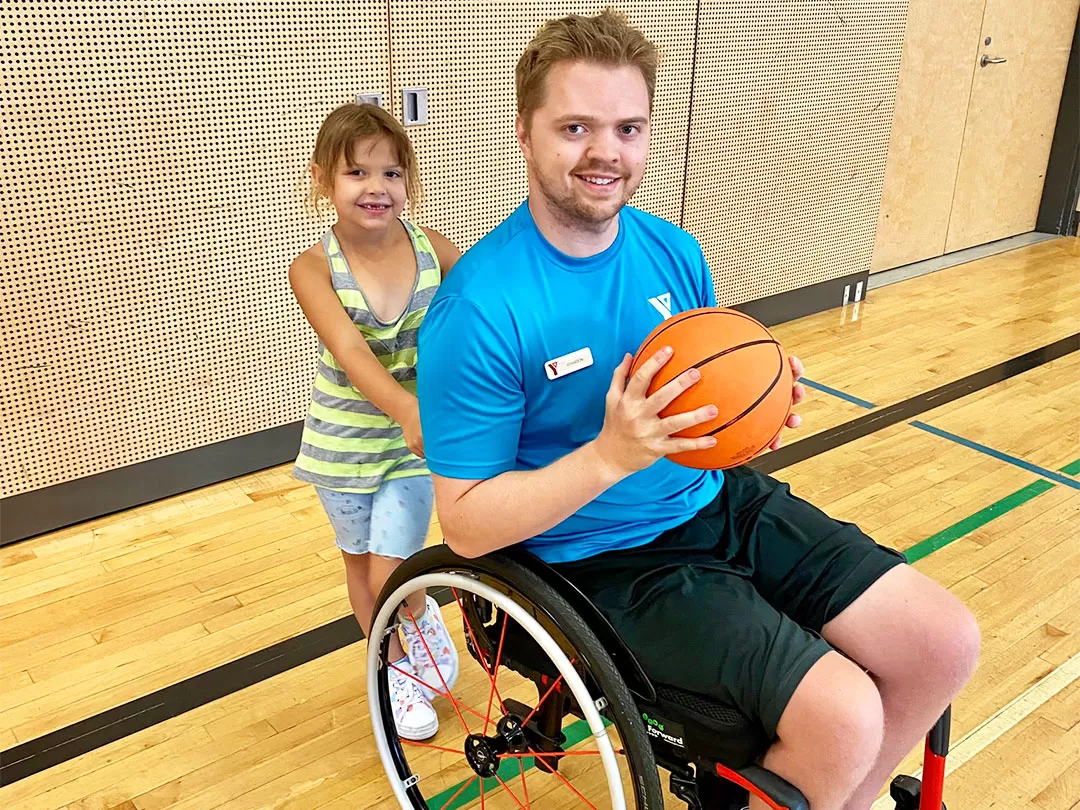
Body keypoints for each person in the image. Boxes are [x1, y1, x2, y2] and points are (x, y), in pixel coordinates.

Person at [416, 9, 980, 809]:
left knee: (943, 644)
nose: (605, 151)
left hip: (719, 505)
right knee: (844, 719)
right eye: (575, 126)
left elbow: (710, 408)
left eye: (628, 127)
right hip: (598, 563)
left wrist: (752, 412)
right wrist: (611, 454)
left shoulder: (674, 251)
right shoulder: (480, 307)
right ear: (524, 132)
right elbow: (467, 526)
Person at [289, 102, 462, 742]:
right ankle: (389, 670)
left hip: (411, 443)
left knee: (395, 567)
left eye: (391, 173)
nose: (375, 187)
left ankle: (415, 612)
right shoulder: (313, 267)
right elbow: (353, 351)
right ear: (324, 182)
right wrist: (406, 407)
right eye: (357, 173)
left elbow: (480, 305)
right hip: (344, 447)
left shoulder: (431, 247)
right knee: (359, 564)